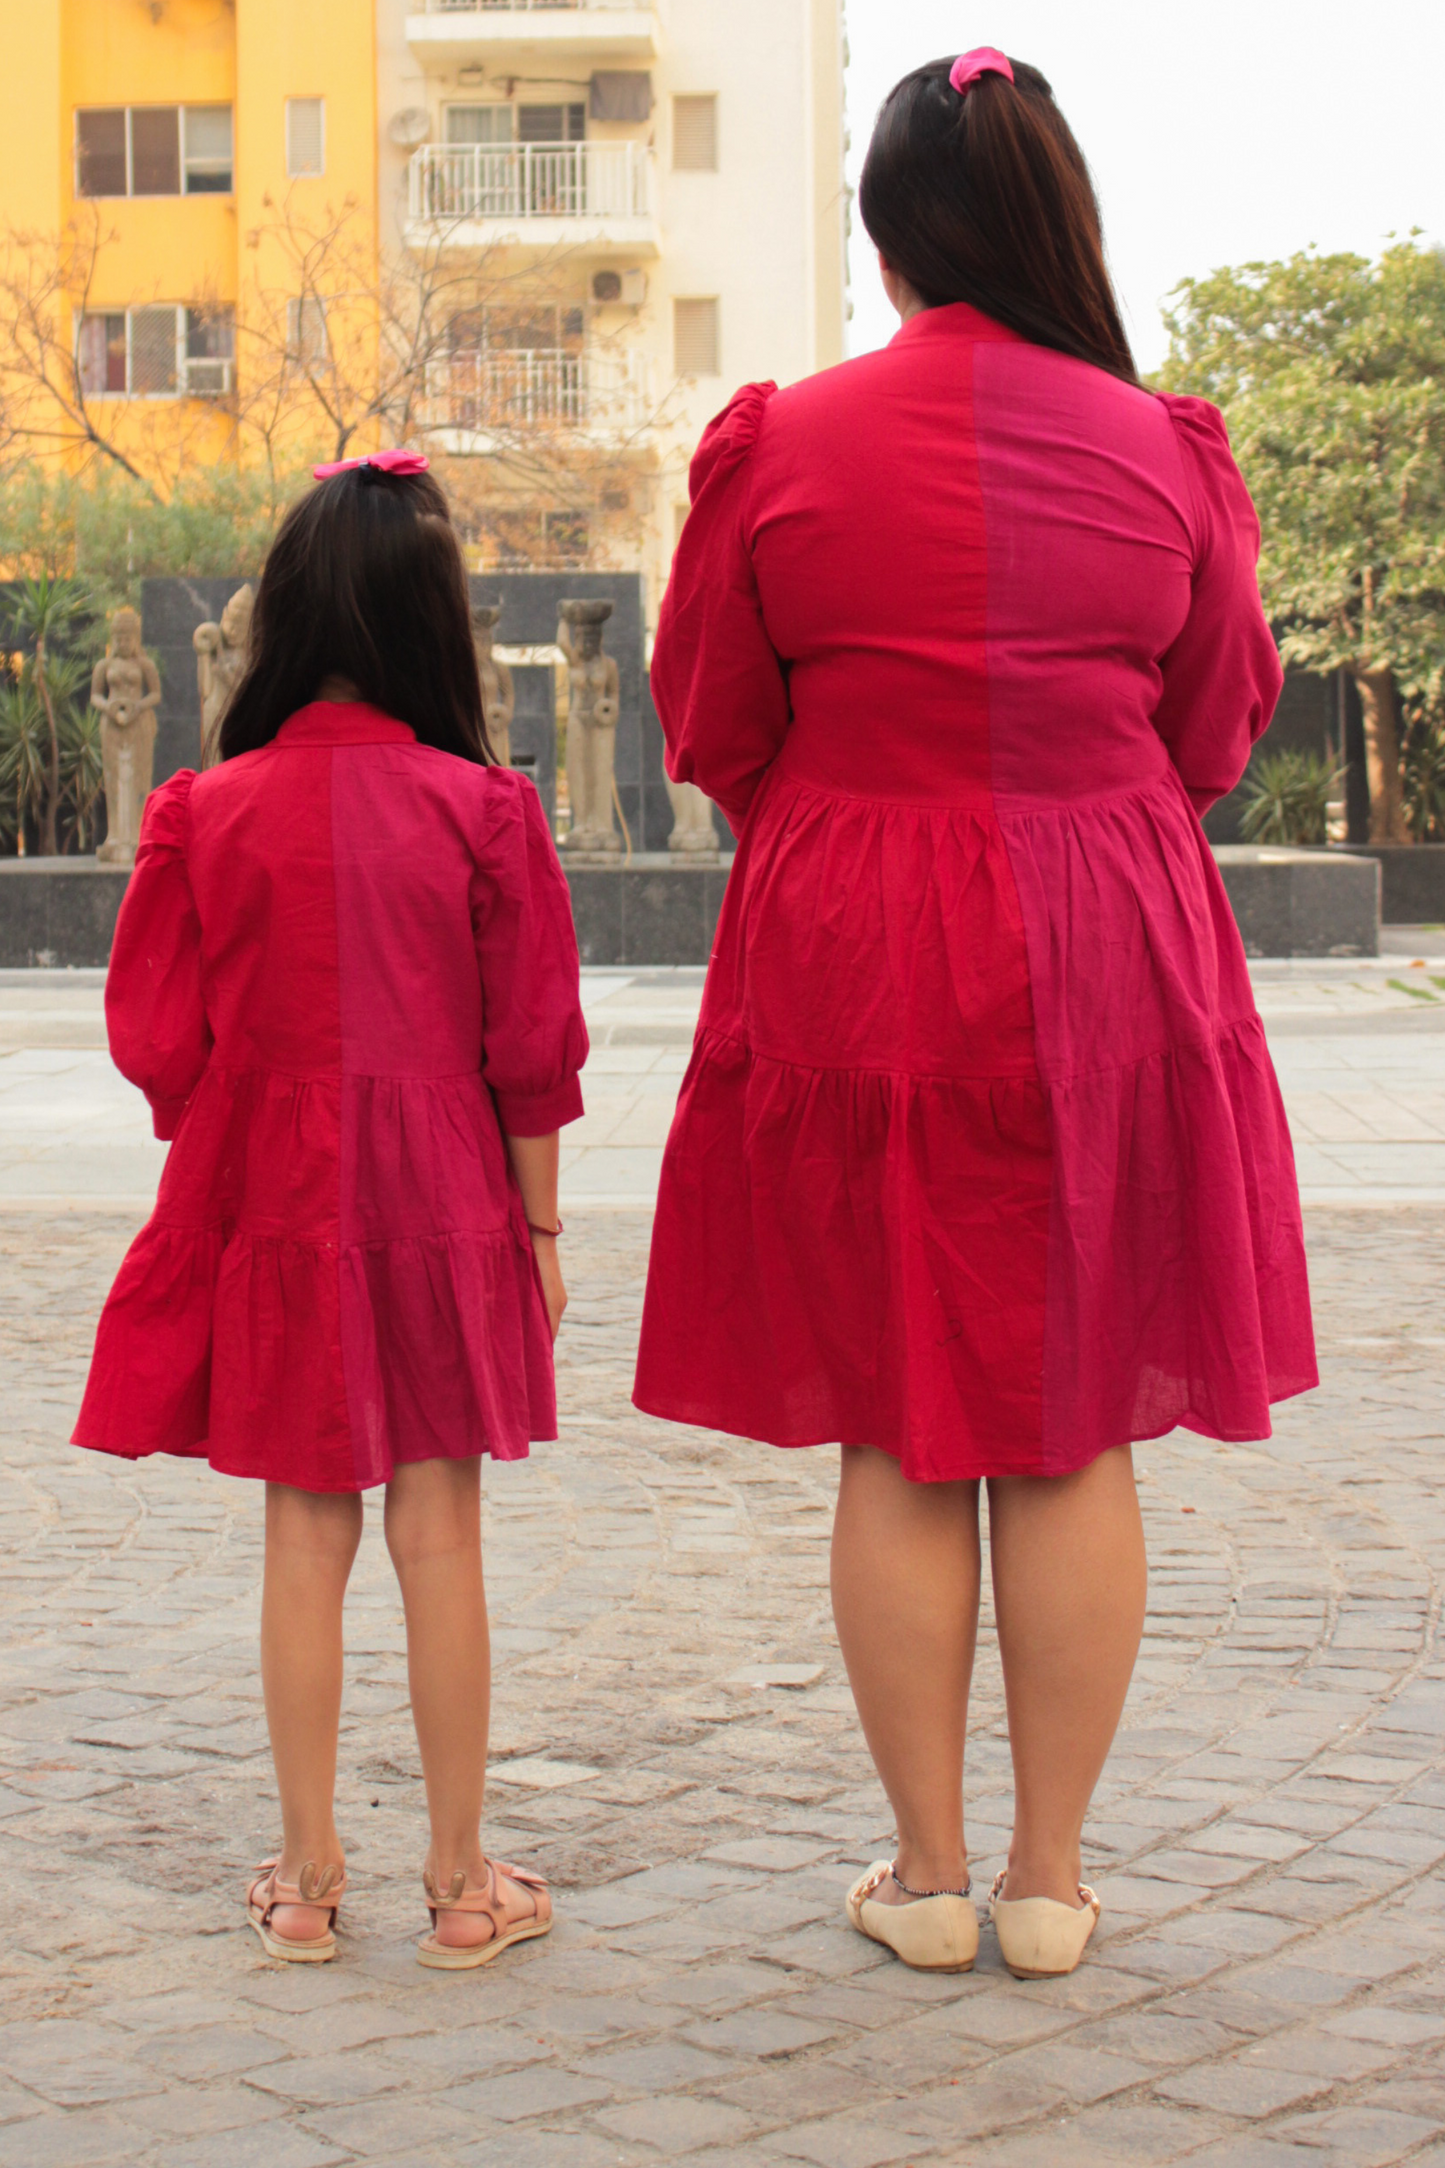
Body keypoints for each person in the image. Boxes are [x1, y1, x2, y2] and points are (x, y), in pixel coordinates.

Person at [634, 49, 1316, 1981]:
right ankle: (1052, 1882)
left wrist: (856, 824)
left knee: (900, 1418)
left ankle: (923, 1881)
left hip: (857, 933)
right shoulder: (1163, 451)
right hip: (1106, 928)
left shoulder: (780, 447)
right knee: (1080, 1416)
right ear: (1055, 216)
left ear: (887, 234)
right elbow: (1211, 727)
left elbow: (714, 724)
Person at [74, 450, 588, 1969]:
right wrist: (541, 1236)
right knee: (443, 1532)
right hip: (445, 1200)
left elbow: (161, 1042)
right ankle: (457, 1882)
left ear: (285, 617)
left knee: (304, 1532)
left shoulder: (204, 811)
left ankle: (304, 1883)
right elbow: (533, 1054)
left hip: (281, 1199)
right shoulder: (485, 810)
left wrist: (241, 1122)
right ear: (439, 630)